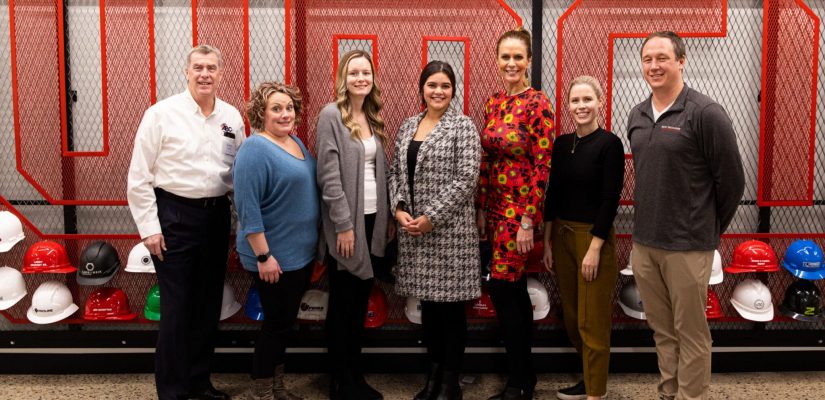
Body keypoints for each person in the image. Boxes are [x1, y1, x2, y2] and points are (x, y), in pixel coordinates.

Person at [627, 31, 745, 400]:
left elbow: (732, 183)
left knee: (691, 334)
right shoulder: (638, 114)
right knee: (662, 331)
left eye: (662, 57)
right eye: (648, 59)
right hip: (645, 247)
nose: (654, 65)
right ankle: (668, 392)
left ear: (681, 60)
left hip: (689, 247)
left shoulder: (705, 113)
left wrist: (706, 232)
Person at [126, 44, 244, 400]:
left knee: (208, 305)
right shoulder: (161, 114)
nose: (205, 74)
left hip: (216, 216)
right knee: (176, 310)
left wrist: (239, 224)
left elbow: (238, 175)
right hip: (174, 215)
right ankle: (174, 392)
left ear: (221, 73)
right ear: (186, 71)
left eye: (211, 68)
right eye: (198, 68)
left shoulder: (232, 117)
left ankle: (198, 382)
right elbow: (138, 176)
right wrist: (149, 228)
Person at [389, 61, 481, 400]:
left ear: (453, 90)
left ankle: (449, 383)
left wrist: (430, 216)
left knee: (451, 313)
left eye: (445, 85)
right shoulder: (408, 125)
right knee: (428, 311)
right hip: (413, 235)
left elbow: (466, 179)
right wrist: (398, 209)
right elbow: (394, 173)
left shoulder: (463, 126)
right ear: (422, 89)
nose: (438, 91)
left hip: (449, 236)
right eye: (432, 85)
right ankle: (432, 378)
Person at [478, 28, 555, 400]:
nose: (511, 63)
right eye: (505, 57)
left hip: (518, 215)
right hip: (493, 212)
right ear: (497, 60)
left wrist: (528, 220)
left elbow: (543, 167)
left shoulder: (538, 103)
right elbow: (486, 159)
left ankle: (519, 382)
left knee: (505, 291)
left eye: (517, 57)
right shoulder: (494, 102)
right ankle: (524, 377)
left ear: (528, 62)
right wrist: (480, 209)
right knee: (509, 293)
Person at [233, 82, 317, 400]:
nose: (285, 114)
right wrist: (264, 255)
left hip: (298, 255)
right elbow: (247, 207)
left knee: (284, 325)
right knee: (275, 326)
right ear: (261, 113)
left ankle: (277, 388)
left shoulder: (294, 141)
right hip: (273, 257)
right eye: (276, 109)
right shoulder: (255, 149)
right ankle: (263, 392)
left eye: (289, 108)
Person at [316, 49, 391, 400]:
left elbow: (381, 171)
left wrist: (387, 219)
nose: (361, 78)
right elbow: (328, 176)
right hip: (347, 223)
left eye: (366, 72)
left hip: (373, 220)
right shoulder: (331, 115)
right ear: (343, 78)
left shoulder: (372, 116)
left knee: (360, 302)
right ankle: (340, 381)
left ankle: (354, 376)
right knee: (343, 304)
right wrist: (343, 225)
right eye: (354, 72)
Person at [542, 76, 623, 400]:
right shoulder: (562, 145)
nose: (581, 106)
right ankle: (588, 379)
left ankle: (596, 393)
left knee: (593, 321)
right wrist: (547, 240)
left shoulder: (610, 144)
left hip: (593, 240)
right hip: (561, 237)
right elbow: (554, 194)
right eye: (575, 101)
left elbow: (610, 199)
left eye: (587, 100)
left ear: (600, 102)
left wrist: (594, 248)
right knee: (574, 319)